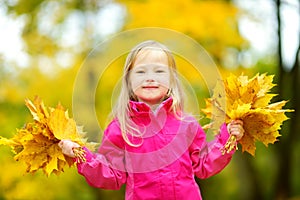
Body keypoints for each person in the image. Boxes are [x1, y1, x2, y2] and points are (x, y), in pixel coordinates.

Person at [59, 40, 244, 200]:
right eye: (140, 72)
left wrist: (229, 136)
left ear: (172, 80)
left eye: (159, 71)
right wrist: (79, 154)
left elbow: (205, 163)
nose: (150, 78)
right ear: (129, 81)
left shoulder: (186, 125)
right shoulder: (121, 128)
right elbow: (111, 175)